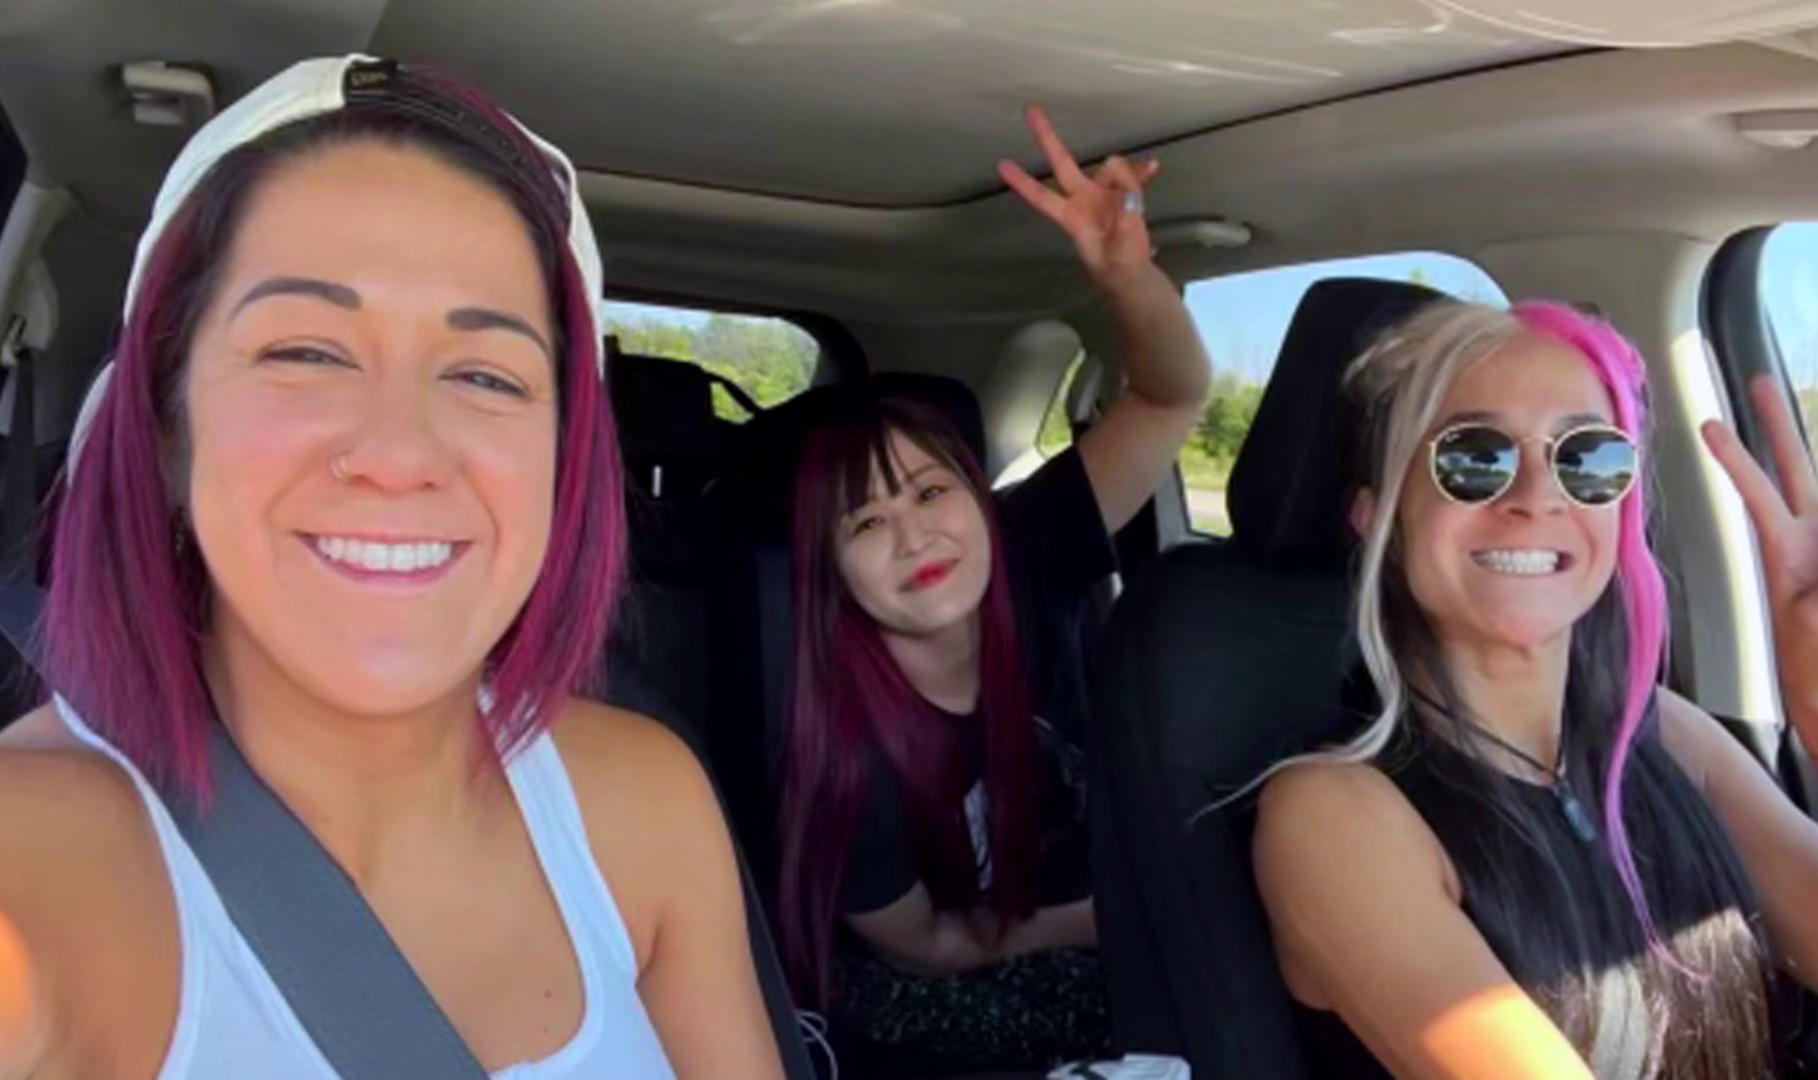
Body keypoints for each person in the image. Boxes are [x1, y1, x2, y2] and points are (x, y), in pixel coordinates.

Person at [0, 57, 781, 1079]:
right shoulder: (36, 859)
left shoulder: (645, 804)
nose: (401, 453)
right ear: (166, 427)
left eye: (485, 374)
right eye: (306, 353)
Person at [1253, 299, 1818, 1078]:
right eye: (1474, 456)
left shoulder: (1670, 737)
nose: (1538, 496)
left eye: (1588, 460)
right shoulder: (1333, 816)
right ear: (1379, 517)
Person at [776, 107, 1212, 1071]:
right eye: (865, 522)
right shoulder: (842, 749)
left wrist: (1128, 281)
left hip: (1066, 908)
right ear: (829, 568)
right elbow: (922, 946)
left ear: (980, 498)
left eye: (932, 492)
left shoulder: (1021, 554)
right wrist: (1095, 919)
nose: (915, 536)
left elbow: (1172, 395)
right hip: (921, 976)